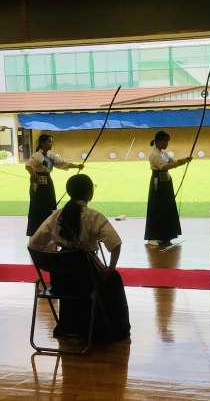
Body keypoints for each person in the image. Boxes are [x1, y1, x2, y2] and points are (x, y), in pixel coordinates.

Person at [29, 174, 130, 342]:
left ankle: (70, 325)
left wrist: (52, 254)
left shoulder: (56, 216)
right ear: (89, 193)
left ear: (70, 192)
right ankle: (111, 330)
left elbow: (33, 244)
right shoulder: (93, 217)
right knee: (113, 278)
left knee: (79, 281)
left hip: (60, 282)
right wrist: (110, 268)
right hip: (86, 280)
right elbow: (115, 244)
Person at [25, 134, 83, 236]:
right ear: (42, 143)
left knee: (50, 204)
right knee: (37, 205)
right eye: (49, 141)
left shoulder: (51, 156)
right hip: (37, 184)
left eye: (52, 141)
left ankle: (49, 227)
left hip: (48, 183)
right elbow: (28, 165)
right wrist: (33, 174)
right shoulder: (37, 155)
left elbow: (63, 163)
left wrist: (77, 166)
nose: (51, 143)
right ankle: (35, 229)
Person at [144, 130, 192, 246]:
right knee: (156, 208)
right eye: (164, 141)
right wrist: (181, 162)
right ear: (158, 141)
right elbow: (165, 167)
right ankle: (152, 237)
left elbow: (172, 161)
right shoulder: (154, 155)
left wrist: (184, 160)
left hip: (166, 182)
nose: (166, 144)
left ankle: (165, 235)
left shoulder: (163, 153)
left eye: (167, 141)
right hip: (158, 183)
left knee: (166, 208)